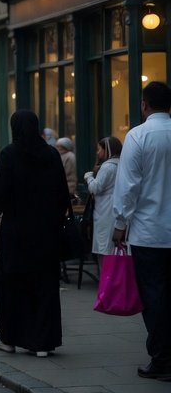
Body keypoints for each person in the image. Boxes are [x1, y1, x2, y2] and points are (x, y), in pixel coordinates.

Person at [0, 110, 70, 358]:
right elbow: (62, 192)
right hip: (46, 232)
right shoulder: (51, 154)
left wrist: (4, 209)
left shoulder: (9, 154)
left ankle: (9, 338)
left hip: (16, 232)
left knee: (13, 284)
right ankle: (42, 343)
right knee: (44, 285)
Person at [113, 82, 171, 381]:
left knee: (154, 296)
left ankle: (161, 357)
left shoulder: (138, 136)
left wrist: (120, 224)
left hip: (149, 232)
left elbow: (128, 187)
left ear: (144, 105)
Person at [84, 136, 122, 259]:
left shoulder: (107, 167)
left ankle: (105, 276)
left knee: (104, 248)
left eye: (99, 149)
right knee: (112, 247)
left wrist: (89, 177)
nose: (97, 152)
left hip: (105, 210)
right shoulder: (121, 164)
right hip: (116, 208)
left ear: (107, 150)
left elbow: (95, 188)